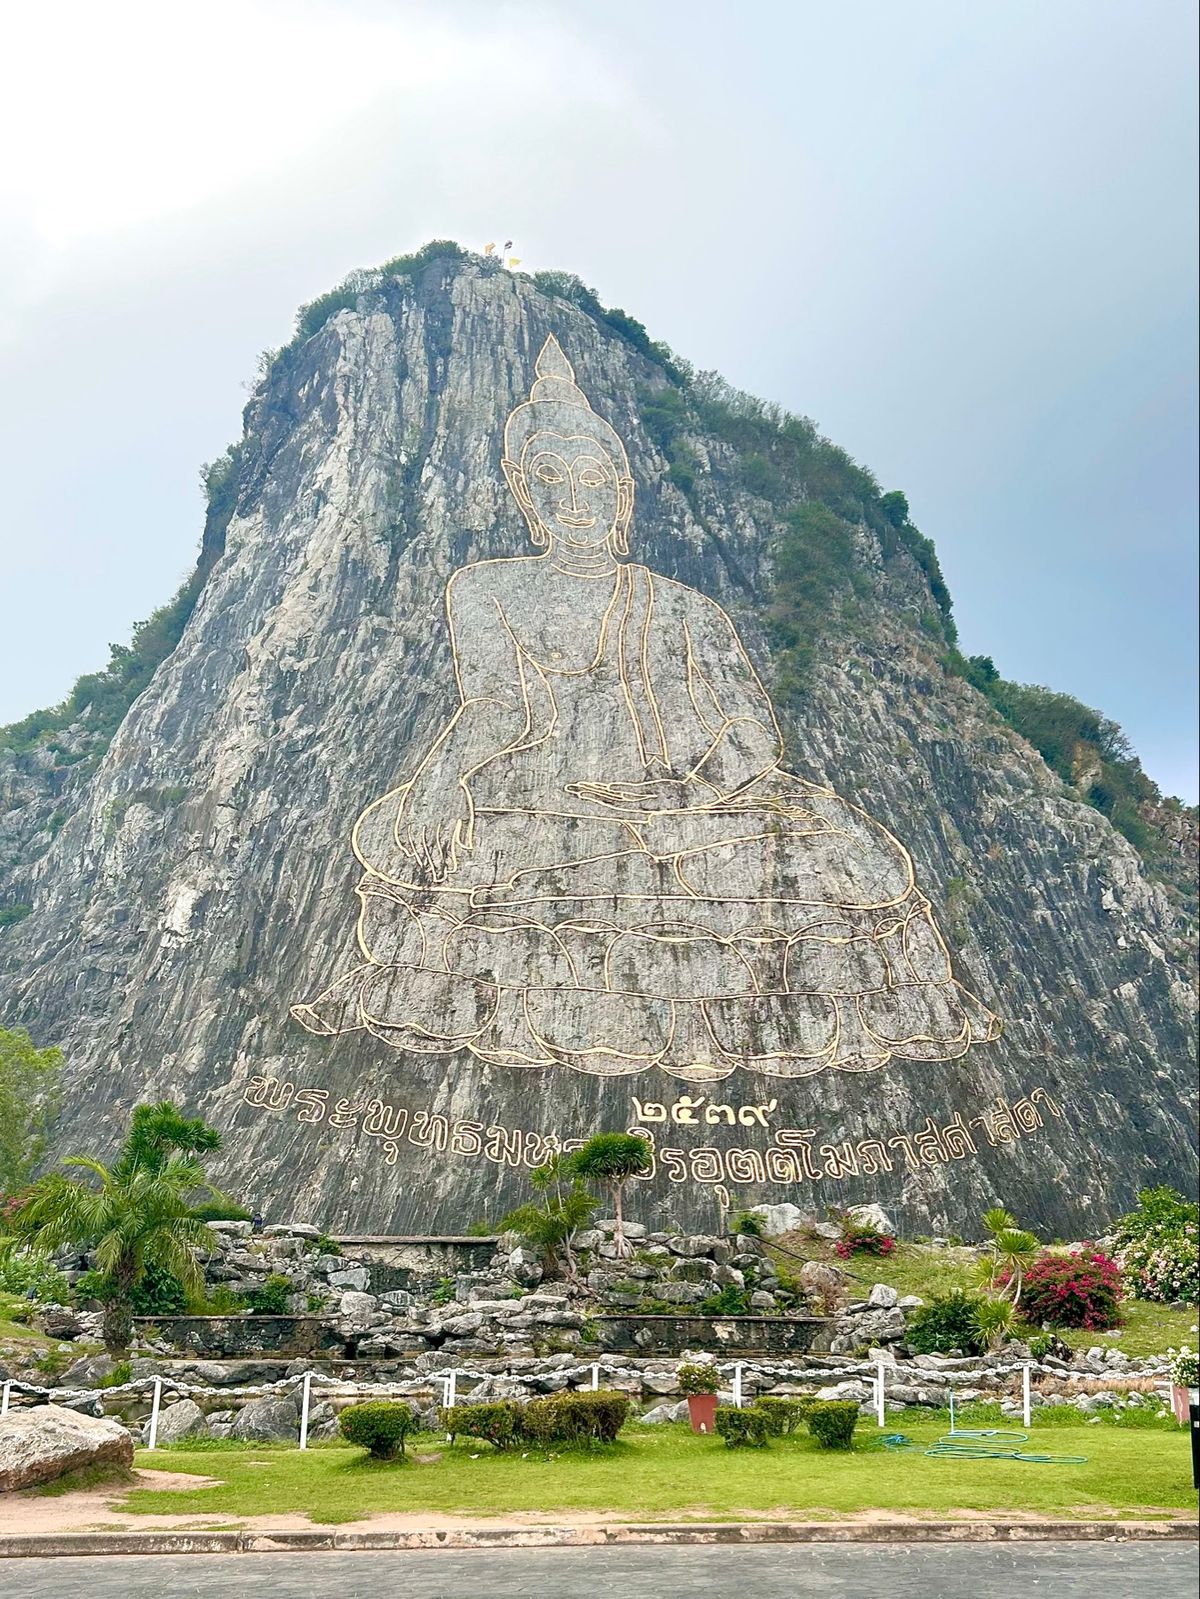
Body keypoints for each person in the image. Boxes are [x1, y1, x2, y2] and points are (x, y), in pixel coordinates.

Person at [293, 336, 999, 1082]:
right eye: (551, 477)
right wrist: (441, 779)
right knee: (447, 844)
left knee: (840, 846)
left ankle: (720, 1008)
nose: (575, 500)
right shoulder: (485, 587)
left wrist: (691, 795)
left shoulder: (685, 607)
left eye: (594, 478)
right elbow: (497, 707)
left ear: (622, 490)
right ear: (522, 490)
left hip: (689, 802)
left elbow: (756, 733)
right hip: (546, 796)